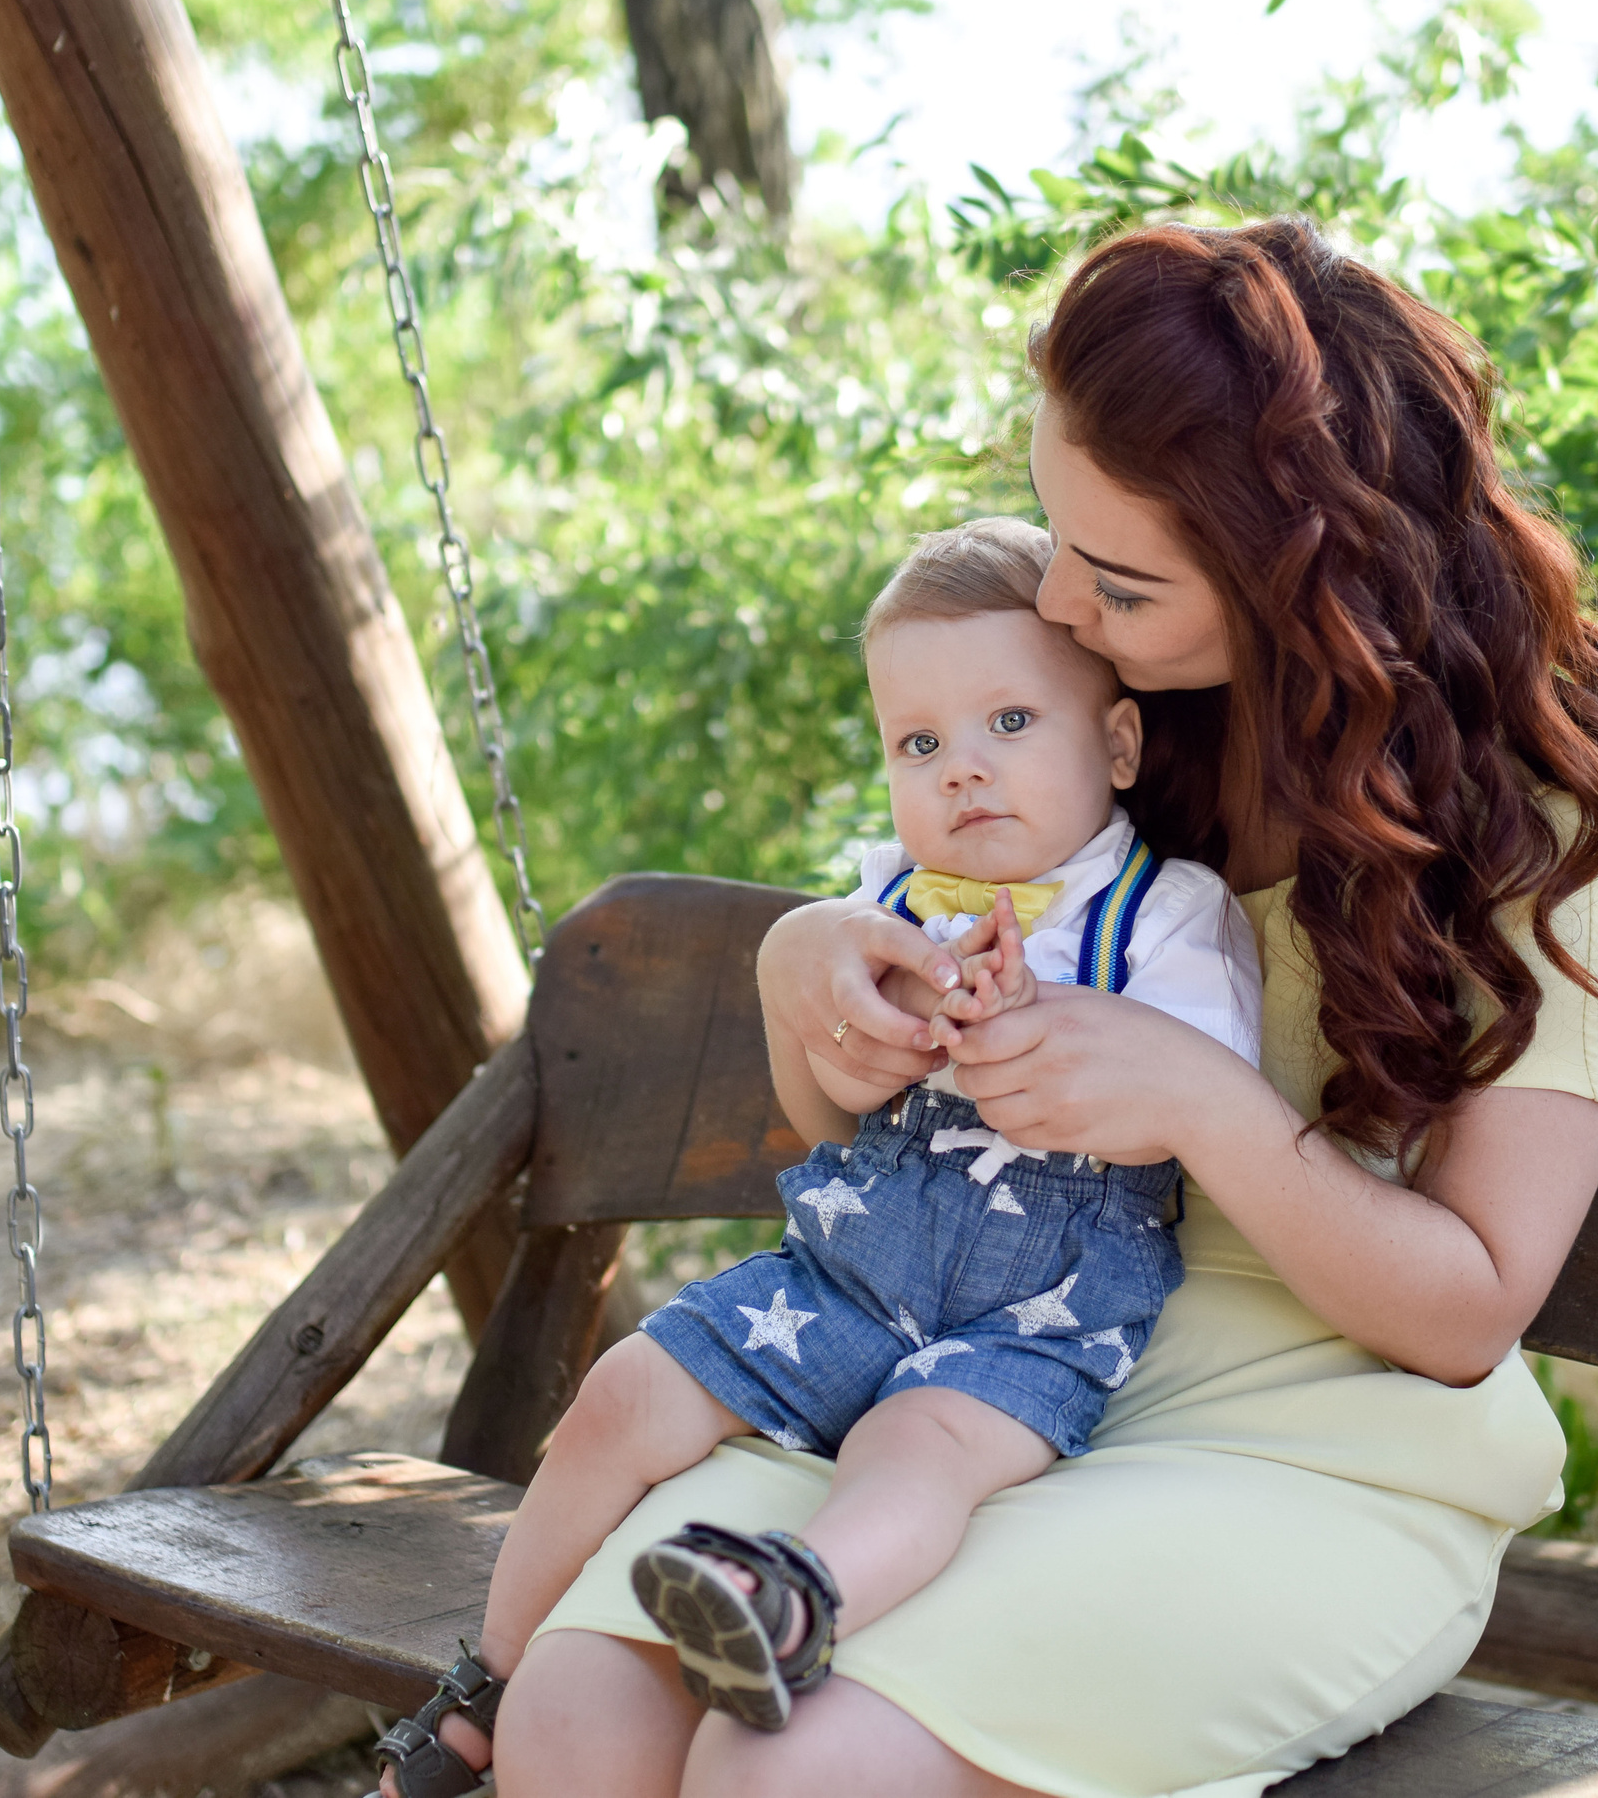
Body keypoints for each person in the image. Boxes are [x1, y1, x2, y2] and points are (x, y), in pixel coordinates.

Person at [415, 214, 1598, 1798]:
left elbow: (1467, 1312)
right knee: (575, 1725)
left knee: (797, 1774)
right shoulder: (1117, 731)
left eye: (1114, 577)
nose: (1055, 592)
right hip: (956, 1380)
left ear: (1300, 577)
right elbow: (858, 1109)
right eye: (1054, 532)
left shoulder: (1536, 846)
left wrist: (1196, 1101)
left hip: (1310, 1455)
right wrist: (808, 969)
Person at [369, 520, 1260, 1795]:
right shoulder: (886, 898)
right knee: (624, 1389)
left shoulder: (1163, 914)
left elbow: (1192, 1109)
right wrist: (872, 1038)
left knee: (922, 1446)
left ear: (1116, 741)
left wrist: (1027, 1029)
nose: (964, 771)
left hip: (1037, 1314)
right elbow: (833, 1099)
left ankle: (797, 1601)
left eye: (1010, 721)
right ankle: (485, 1686)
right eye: (920, 742)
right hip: (844, 1278)